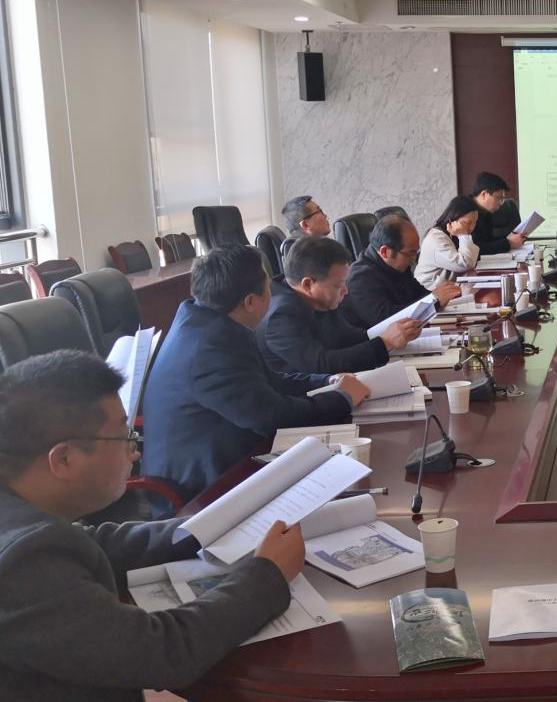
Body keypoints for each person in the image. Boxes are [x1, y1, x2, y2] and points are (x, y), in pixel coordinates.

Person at [0, 351, 303, 700]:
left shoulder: (24, 514)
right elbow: (163, 652)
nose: (135, 452)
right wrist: (268, 573)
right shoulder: (21, 564)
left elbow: (98, 543)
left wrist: (208, 526)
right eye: (123, 437)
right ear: (64, 458)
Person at [140, 245, 369, 508]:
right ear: (250, 302)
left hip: (229, 454)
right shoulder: (211, 346)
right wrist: (342, 399)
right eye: (269, 287)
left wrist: (327, 382)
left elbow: (269, 381)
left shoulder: (206, 320)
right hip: (201, 489)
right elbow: (272, 416)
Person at [257, 235, 423, 375]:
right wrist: (386, 342)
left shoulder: (317, 299)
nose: (345, 290)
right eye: (338, 285)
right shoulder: (280, 316)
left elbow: (348, 337)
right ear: (308, 284)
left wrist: (393, 332)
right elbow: (321, 365)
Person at [340, 215, 461, 330]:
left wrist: (443, 295)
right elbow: (385, 320)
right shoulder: (360, 278)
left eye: (416, 252)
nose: (413, 260)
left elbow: (419, 294)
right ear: (385, 252)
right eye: (411, 253)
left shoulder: (397, 265)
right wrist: (434, 301)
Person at [416, 195, 481, 290]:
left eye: (474, 222)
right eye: (467, 223)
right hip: (428, 291)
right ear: (452, 219)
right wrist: (463, 236)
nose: (471, 228)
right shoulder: (436, 238)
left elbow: (472, 260)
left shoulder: (453, 234)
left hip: (448, 287)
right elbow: (465, 264)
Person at [470, 172, 524, 255]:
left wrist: (510, 239)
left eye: (503, 199)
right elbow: (475, 249)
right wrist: (508, 243)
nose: (501, 203)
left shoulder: (486, 212)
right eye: (499, 198)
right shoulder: (466, 211)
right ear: (484, 194)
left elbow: (488, 241)